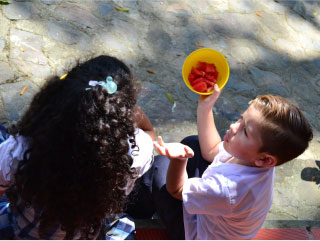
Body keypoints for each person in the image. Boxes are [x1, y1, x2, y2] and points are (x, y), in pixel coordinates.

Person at [0, 55, 156, 239]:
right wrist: (127, 109)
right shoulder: (131, 155)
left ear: (58, 99)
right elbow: (148, 132)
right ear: (124, 112)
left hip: (24, 232)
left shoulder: (19, 149)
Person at [152, 84, 313, 240]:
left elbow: (177, 190)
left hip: (198, 233)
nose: (233, 127)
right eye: (240, 119)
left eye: (245, 131)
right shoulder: (256, 159)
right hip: (220, 212)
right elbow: (212, 151)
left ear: (265, 159)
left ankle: (136, 209)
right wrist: (205, 108)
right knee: (193, 143)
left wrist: (180, 160)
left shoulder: (228, 189)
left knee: (159, 169)